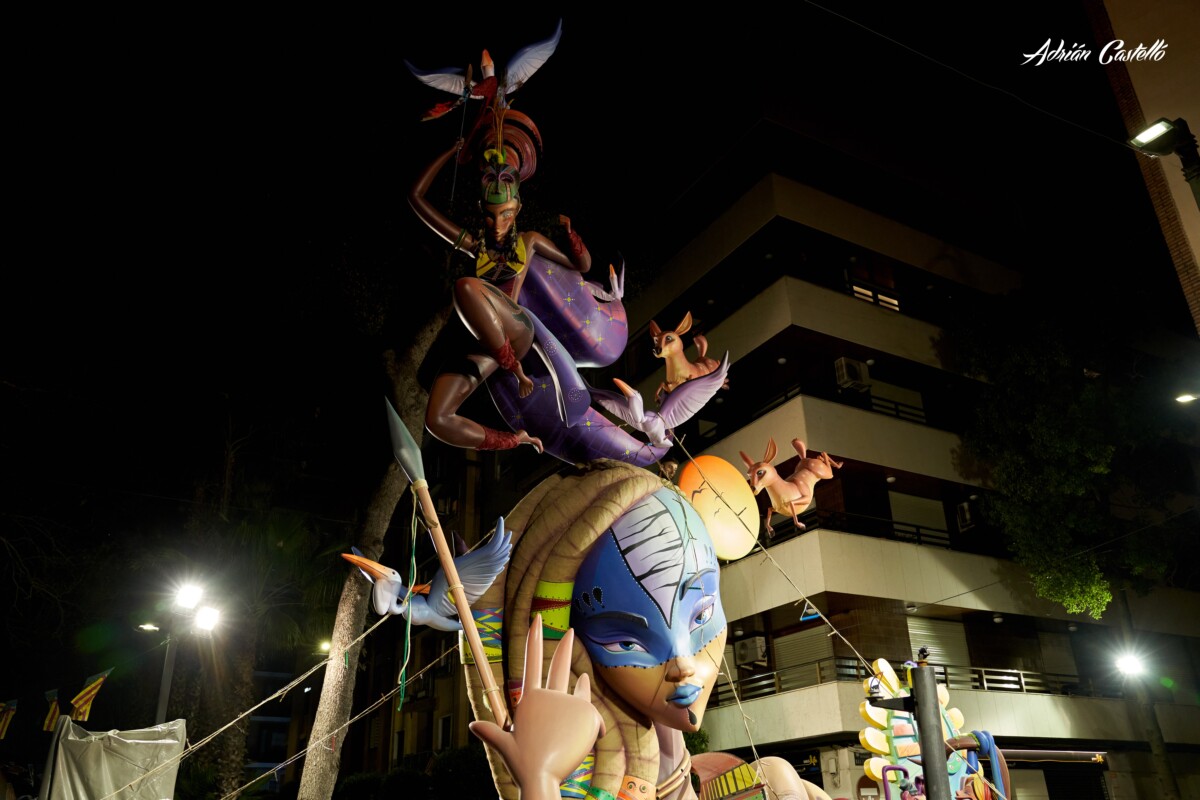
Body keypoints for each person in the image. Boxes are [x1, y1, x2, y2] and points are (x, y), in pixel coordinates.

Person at [463, 460, 832, 800]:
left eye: (701, 616)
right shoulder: (586, 752)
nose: (684, 665)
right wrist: (540, 780)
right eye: (626, 641)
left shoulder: (659, 739)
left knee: (779, 777)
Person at [409, 125, 592, 453]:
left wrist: (571, 235)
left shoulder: (529, 241)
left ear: (517, 210)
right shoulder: (474, 244)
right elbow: (416, 198)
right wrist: (452, 151)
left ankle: (516, 369)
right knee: (437, 419)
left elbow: (582, 266)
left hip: (516, 330)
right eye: (491, 216)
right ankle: (514, 440)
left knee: (466, 286)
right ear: (482, 212)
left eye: (505, 214)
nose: (497, 224)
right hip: (483, 343)